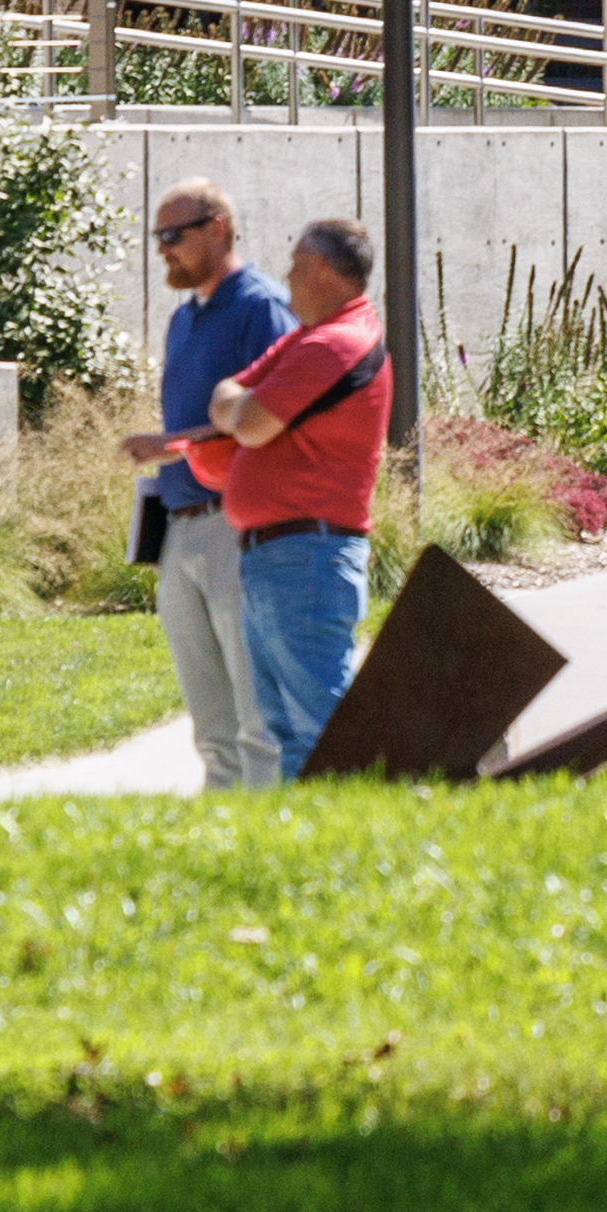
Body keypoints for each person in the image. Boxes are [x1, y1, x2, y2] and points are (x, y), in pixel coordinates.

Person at [182, 213, 388, 769]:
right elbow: (230, 397)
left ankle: (343, 838)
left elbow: (246, 419)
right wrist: (234, 407)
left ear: (320, 269)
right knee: (286, 727)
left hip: (305, 557)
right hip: (282, 555)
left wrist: (234, 409)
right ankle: (314, 839)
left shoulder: (331, 345)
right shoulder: (310, 339)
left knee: (317, 729)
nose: (287, 277)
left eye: (296, 265)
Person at [123, 187, 293, 787]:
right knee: (210, 719)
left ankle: (267, 834)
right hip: (182, 525)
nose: (163, 250)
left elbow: (273, 419)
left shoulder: (261, 308)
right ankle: (219, 840)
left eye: (174, 236)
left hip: (238, 524)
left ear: (218, 228)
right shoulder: (185, 317)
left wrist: (171, 444)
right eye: (157, 239)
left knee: (255, 712)